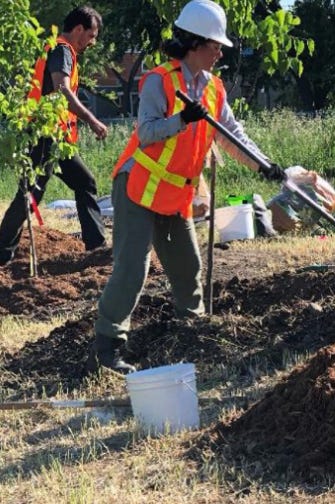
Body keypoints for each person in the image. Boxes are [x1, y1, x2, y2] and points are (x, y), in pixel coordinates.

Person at [90, 0, 285, 373]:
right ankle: (108, 347)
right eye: (216, 45)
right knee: (133, 269)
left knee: (187, 266)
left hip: (175, 193)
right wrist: (181, 118)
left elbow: (231, 135)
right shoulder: (159, 80)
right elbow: (146, 132)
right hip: (138, 186)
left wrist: (263, 165)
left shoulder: (213, 88)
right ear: (197, 43)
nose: (220, 52)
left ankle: (192, 335)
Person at [0, 6, 108, 266]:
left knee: (85, 183)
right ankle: (2, 251)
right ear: (79, 29)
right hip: (45, 135)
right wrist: (92, 120)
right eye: (91, 36)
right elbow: (62, 90)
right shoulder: (62, 50)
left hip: (55, 138)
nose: (92, 43)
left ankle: (96, 247)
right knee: (31, 193)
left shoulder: (57, 50)